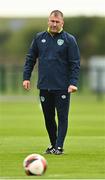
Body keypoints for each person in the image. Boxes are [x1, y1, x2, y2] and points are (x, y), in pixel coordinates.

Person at [23, 10, 80, 155]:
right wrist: (26, 77)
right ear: (48, 21)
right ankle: (53, 144)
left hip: (62, 87)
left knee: (62, 117)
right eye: (52, 21)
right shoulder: (39, 38)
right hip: (44, 85)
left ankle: (59, 146)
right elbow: (30, 59)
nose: (54, 24)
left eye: (57, 22)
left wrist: (73, 82)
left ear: (62, 23)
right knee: (48, 117)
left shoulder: (69, 39)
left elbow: (75, 63)